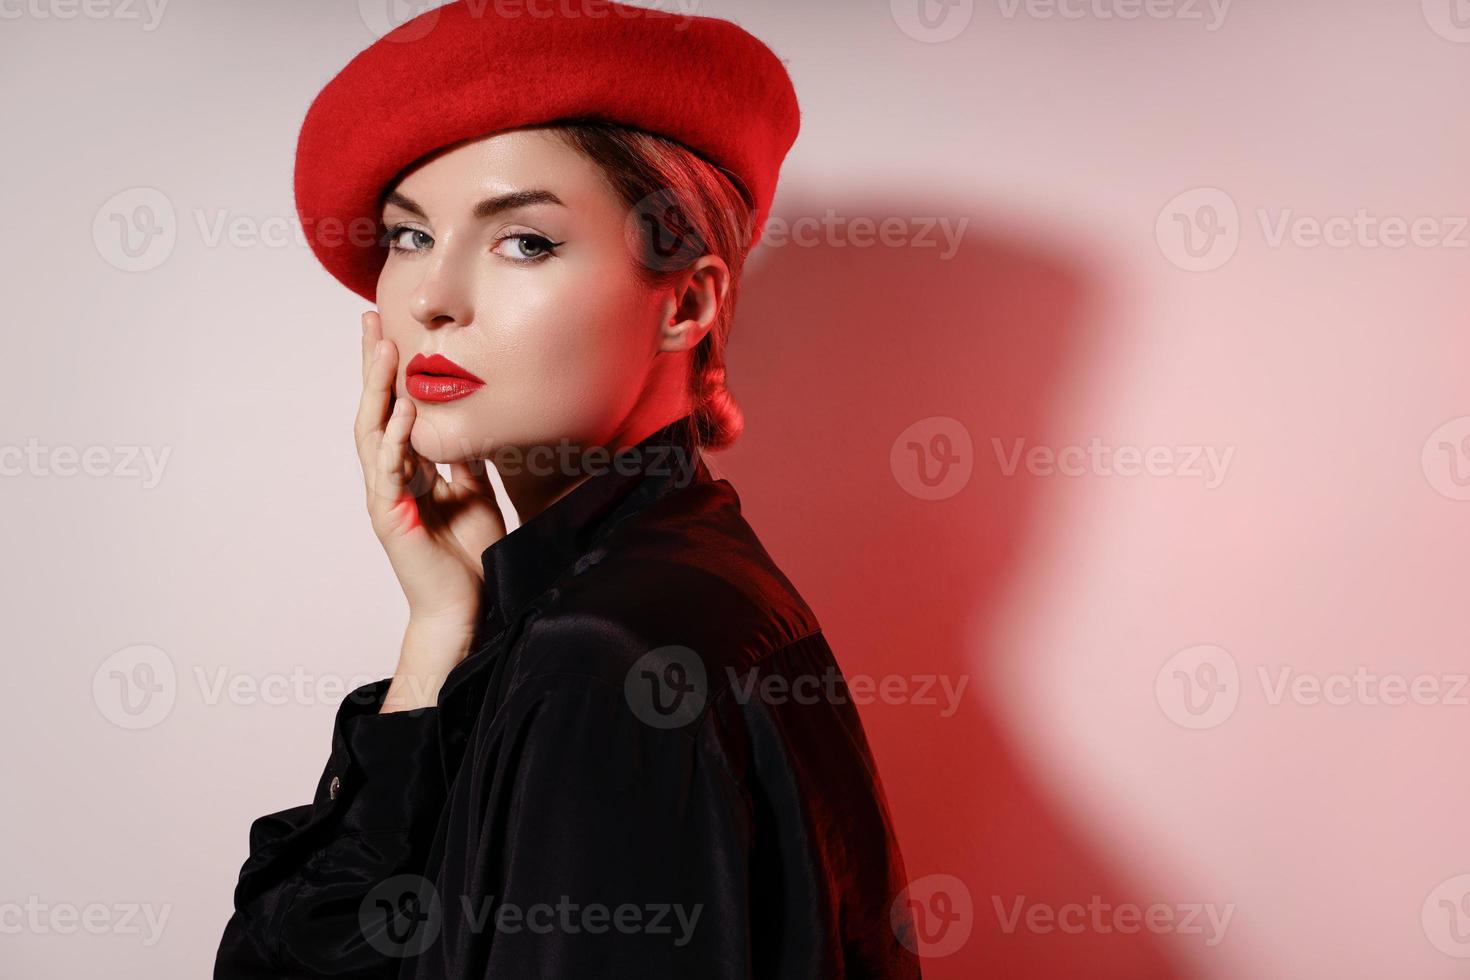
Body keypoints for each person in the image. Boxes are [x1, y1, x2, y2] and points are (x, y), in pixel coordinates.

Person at [213, 2, 921, 977]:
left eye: (525, 241)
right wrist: (434, 636)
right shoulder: (665, 585)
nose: (430, 297)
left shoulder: (605, 651)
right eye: (409, 237)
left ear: (684, 299)